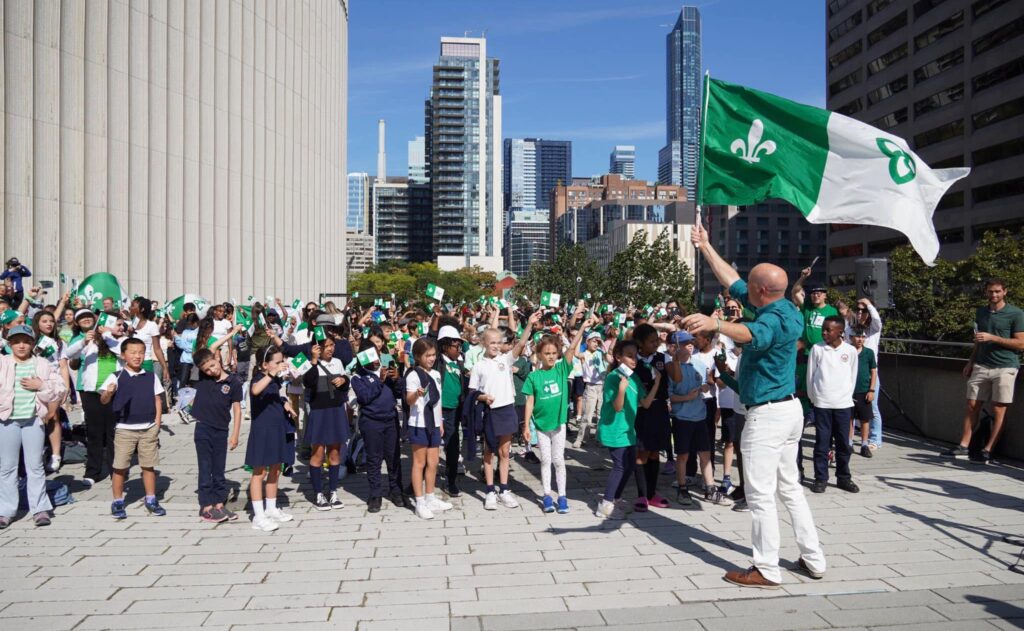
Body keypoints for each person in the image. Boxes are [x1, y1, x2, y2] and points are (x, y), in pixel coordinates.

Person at [684, 220, 826, 588]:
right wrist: (705, 247)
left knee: (761, 495)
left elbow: (749, 333)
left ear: (762, 291)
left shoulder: (772, 321)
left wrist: (715, 324)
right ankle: (813, 560)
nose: (744, 288)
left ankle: (765, 568)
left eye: (752, 284)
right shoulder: (786, 308)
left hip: (767, 416)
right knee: (790, 488)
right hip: (788, 410)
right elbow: (732, 280)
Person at [943, 278, 1024, 463]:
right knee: (972, 405)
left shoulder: (1016, 313)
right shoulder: (981, 312)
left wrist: (993, 338)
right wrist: (970, 361)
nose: (994, 295)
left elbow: (1021, 343)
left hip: (1005, 366)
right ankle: (964, 445)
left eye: (997, 291)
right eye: (990, 291)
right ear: (986, 293)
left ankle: (988, 449)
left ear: (1005, 292)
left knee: (998, 409)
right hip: (982, 364)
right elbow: (978, 340)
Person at [470, 311, 539, 511]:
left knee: (505, 452)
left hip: (507, 409)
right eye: (492, 343)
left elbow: (519, 345)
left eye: (499, 343)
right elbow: (472, 392)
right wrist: (483, 397)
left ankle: (504, 489)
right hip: (490, 413)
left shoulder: (505, 360)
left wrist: (529, 325)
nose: (496, 346)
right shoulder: (478, 366)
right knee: (489, 452)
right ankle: (490, 491)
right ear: (483, 342)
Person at [523, 318, 593, 514]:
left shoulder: (562, 370)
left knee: (558, 460)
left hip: (559, 424)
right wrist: (526, 426)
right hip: (541, 425)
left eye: (554, 353)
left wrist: (582, 328)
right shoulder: (533, 377)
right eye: (547, 353)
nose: (551, 356)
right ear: (539, 355)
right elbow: (529, 401)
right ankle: (547, 495)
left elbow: (570, 351)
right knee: (545, 460)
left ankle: (562, 496)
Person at [0, 325, 66, 528]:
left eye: (26, 341)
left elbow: (59, 389)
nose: (21, 345)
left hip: (33, 420)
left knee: (35, 465)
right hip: (7, 420)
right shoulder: (3, 362)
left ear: (33, 344)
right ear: (9, 344)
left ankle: (39, 508)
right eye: (17, 341)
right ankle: (6, 510)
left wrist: (42, 386)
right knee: (7, 467)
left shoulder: (42, 364)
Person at [100, 338, 167, 519]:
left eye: (141, 352)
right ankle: (117, 501)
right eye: (133, 352)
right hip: (125, 428)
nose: (137, 356)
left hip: (148, 428)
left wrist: (157, 423)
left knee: (148, 465)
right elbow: (104, 401)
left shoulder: (150, 376)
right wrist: (109, 392)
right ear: (123, 355)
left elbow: (157, 400)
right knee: (120, 466)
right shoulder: (116, 376)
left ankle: (151, 499)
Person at [596, 339, 660, 520]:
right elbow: (617, 407)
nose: (634, 360)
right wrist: (622, 390)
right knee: (619, 466)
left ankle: (615, 498)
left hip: (628, 431)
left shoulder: (634, 377)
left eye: (635, 356)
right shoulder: (613, 377)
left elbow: (646, 403)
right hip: (614, 430)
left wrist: (657, 382)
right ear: (618, 357)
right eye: (629, 356)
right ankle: (605, 505)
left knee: (630, 466)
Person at [669, 330, 731, 507]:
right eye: (685, 342)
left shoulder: (698, 363)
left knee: (705, 453)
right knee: (683, 455)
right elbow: (670, 395)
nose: (690, 344)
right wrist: (685, 398)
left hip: (700, 415)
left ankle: (710, 489)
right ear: (675, 347)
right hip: (682, 417)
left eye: (691, 341)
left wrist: (704, 387)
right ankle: (682, 488)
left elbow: (706, 383)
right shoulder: (672, 367)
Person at [351, 338, 412, 513]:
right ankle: (375, 495)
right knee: (374, 459)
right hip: (371, 422)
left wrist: (397, 379)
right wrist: (379, 380)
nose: (376, 359)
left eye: (376, 354)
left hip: (391, 420)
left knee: (394, 458)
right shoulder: (357, 377)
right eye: (370, 356)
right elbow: (364, 397)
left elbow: (400, 393)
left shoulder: (385, 370)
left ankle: (396, 491)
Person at [63, 309, 122, 487]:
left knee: (114, 432)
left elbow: (123, 352)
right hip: (90, 391)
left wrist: (108, 335)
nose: (87, 320)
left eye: (89, 317)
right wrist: (84, 341)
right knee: (95, 432)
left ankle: (116, 471)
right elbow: (68, 355)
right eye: (81, 318)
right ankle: (93, 471)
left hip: (114, 390)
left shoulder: (116, 338)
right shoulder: (85, 339)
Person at [245, 346, 297, 532]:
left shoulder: (275, 380)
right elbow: (256, 391)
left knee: (275, 468)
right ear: (264, 364)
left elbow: (273, 396)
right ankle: (258, 516)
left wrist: (285, 403)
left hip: (277, 428)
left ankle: (271, 508)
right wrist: (272, 373)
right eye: (277, 362)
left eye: (282, 360)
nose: (280, 364)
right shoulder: (259, 378)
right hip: (262, 430)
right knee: (259, 472)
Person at [807, 316, 860, 494]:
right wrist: (814, 397)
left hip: (843, 404)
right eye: (823, 329)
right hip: (822, 403)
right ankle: (820, 478)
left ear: (840, 332)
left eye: (828, 330)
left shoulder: (850, 351)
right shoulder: (817, 349)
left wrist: (846, 396)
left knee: (843, 444)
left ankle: (844, 477)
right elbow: (811, 375)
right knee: (822, 442)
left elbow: (853, 376)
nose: (824, 332)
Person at [190, 348, 243, 523]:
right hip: (203, 428)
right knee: (205, 468)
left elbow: (236, 409)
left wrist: (235, 434)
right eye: (207, 369)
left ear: (218, 359)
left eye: (213, 365)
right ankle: (206, 506)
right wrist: (229, 334)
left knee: (219, 469)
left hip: (222, 430)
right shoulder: (204, 378)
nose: (211, 371)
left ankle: (219, 503)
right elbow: (208, 349)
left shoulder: (233, 381)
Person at [632, 323, 679, 511]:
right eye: (651, 341)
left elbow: (677, 378)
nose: (655, 344)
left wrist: (675, 359)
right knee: (641, 452)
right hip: (641, 410)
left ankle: (652, 493)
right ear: (640, 343)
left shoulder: (662, 357)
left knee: (653, 452)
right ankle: (641, 495)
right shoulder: (632, 359)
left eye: (656, 340)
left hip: (659, 408)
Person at [404, 337, 453, 519]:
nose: (431, 359)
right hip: (418, 424)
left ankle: (430, 496)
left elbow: (438, 400)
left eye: (433, 355)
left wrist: (439, 421)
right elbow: (408, 401)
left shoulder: (437, 374)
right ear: (418, 356)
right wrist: (416, 394)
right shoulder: (413, 375)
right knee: (419, 463)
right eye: (427, 355)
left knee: (433, 462)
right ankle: (419, 501)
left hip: (433, 423)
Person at [304, 337, 348, 511]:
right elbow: (308, 383)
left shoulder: (338, 362)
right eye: (326, 346)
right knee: (318, 453)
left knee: (335, 453)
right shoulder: (310, 363)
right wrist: (314, 361)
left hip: (336, 410)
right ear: (317, 348)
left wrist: (344, 380)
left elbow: (344, 385)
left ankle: (333, 491)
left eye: (332, 345)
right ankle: (318, 494)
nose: (330, 349)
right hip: (319, 411)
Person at [842, 298, 884, 450]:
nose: (860, 312)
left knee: (872, 406)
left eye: (863, 310)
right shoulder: (852, 328)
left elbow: (878, 321)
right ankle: (850, 439)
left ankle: (875, 439)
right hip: (852, 372)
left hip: (870, 372)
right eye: (858, 310)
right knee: (850, 407)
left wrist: (869, 304)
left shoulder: (873, 329)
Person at [436, 326, 467, 497]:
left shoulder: (459, 362)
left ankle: (451, 481)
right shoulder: (437, 361)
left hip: (454, 411)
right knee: (430, 447)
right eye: (456, 346)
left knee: (452, 447)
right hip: (437, 410)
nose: (459, 350)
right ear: (445, 346)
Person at [573, 331, 607, 449]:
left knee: (601, 415)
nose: (596, 343)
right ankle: (581, 438)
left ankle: (600, 438)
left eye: (598, 341)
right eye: (594, 341)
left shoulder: (600, 352)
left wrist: (603, 345)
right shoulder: (585, 354)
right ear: (587, 342)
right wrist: (580, 336)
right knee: (587, 415)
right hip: (591, 386)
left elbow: (609, 358)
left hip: (603, 386)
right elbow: (576, 353)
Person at [848, 328, 877, 458]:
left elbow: (873, 371)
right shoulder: (848, 350)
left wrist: (871, 389)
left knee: (865, 418)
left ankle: (864, 444)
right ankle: (849, 442)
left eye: (862, 337)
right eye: (857, 336)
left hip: (864, 389)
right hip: (849, 390)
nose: (860, 339)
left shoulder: (869, 353)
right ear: (851, 337)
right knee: (849, 417)